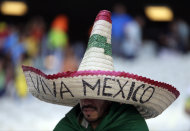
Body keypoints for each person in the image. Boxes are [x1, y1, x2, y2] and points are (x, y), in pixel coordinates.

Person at [22, 10, 180, 131]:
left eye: (95, 94)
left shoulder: (131, 125)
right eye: (83, 94)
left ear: (109, 97)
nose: (87, 102)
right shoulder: (70, 125)